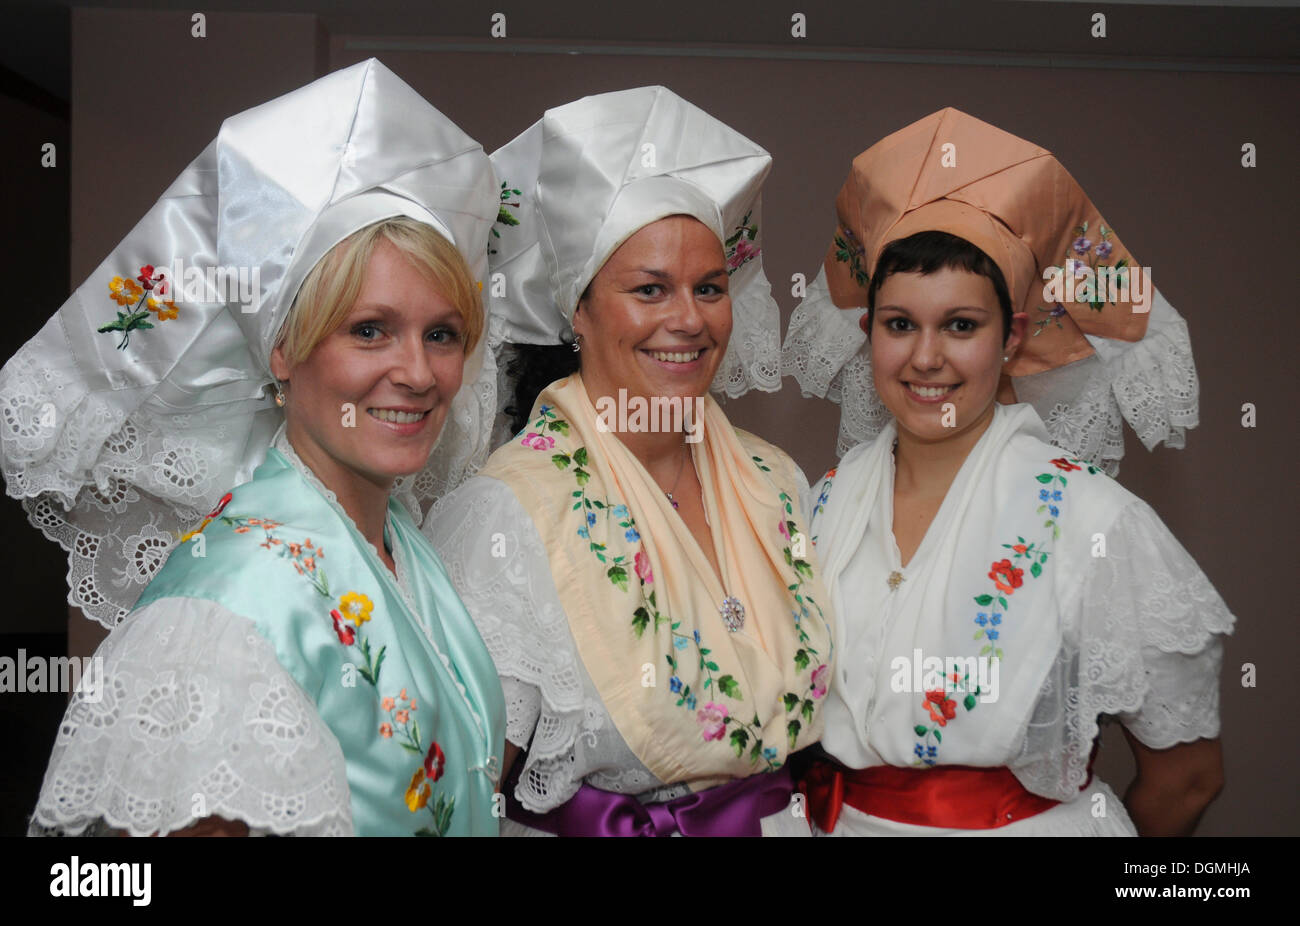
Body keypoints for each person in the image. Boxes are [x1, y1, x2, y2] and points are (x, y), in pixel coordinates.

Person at [1, 60, 505, 836]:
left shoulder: (402, 544)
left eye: (441, 334)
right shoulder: (223, 617)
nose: (417, 372)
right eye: (369, 330)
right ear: (283, 351)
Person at [782, 108, 1234, 836]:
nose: (926, 358)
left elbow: (1187, 779)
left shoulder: (1096, 523)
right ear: (869, 333)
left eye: (961, 325)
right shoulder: (819, 506)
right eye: (901, 324)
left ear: (1013, 335)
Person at [424, 86, 834, 836]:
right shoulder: (508, 516)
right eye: (650, 289)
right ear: (578, 311)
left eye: (709, 288)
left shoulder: (778, 482)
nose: (687, 318)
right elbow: (461, 806)